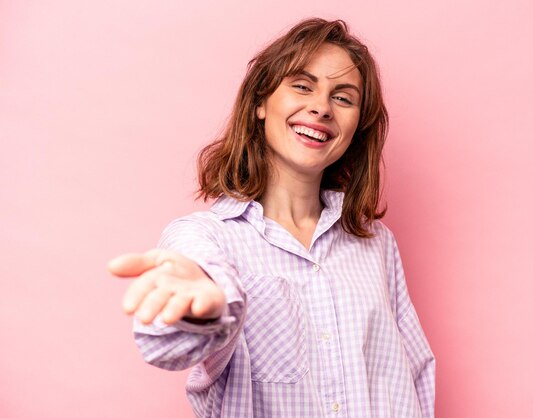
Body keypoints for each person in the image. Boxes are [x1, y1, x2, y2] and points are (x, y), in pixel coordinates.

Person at [109, 18, 435, 418]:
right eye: (302, 85)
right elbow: (170, 342)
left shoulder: (376, 242)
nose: (321, 107)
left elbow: (414, 373)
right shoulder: (204, 239)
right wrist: (205, 310)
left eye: (344, 98)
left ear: (357, 129)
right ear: (261, 102)